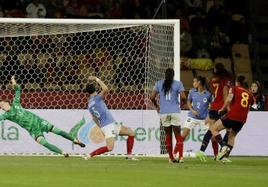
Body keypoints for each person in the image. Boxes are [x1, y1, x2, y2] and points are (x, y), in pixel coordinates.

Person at [0, 76, 85, 157]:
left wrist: (13, 82)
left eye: (2, 103)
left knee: (58, 131)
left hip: (39, 122)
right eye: (1, 106)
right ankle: (63, 152)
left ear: (7, 102)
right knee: (44, 143)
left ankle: (75, 140)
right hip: (32, 130)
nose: (2, 106)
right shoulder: (6, 115)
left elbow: (18, 90)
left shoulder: (16, 103)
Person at [84, 76, 136, 160]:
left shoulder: (89, 104)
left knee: (131, 132)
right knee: (110, 148)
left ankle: (129, 155)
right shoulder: (97, 98)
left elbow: (94, 118)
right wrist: (96, 79)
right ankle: (90, 155)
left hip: (110, 124)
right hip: (108, 126)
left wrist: (101, 128)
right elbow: (106, 89)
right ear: (95, 89)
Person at [210, 76, 255, 161]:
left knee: (213, 128)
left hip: (232, 115)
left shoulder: (235, 88)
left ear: (238, 82)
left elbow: (228, 99)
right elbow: (249, 107)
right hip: (242, 119)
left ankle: (223, 147)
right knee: (232, 137)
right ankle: (225, 157)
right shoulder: (250, 94)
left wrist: (222, 109)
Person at [196, 63, 232, 162]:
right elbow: (225, 93)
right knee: (228, 130)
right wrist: (227, 108)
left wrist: (208, 83)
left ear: (216, 70)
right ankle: (223, 151)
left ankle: (201, 151)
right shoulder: (226, 80)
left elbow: (213, 92)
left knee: (212, 130)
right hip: (221, 107)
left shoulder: (213, 79)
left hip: (214, 107)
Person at [150, 68, 186, 163]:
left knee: (168, 134)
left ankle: (171, 157)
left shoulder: (159, 83)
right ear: (173, 75)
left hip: (164, 112)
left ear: (165, 75)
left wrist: (157, 106)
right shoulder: (178, 83)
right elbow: (183, 97)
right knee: (178, 134)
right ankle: (181, 157)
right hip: (175, 111)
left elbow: (152, 97)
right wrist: (182, 104)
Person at [174, 76, 212, 162]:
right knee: (183, 136)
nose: (193, 83)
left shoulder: (208, 94)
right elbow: (188, 101)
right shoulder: (192, 91)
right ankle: (174, 153)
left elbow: (212, 106)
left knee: (212, 137)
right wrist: (192, 110)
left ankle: (216, 155)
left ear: (199, 83)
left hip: (203, 119)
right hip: (192, 117)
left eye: (194, 82)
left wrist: (208, 117)